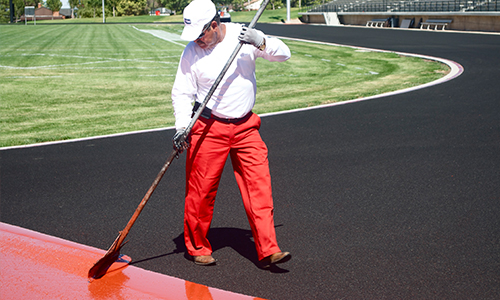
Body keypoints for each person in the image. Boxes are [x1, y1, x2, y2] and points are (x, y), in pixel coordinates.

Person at [171, 0, 291, 269]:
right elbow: (181, 92)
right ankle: (197, 246)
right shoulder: (191, 52)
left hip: (246, 127)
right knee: (200, 191)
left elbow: (284, 54)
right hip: (208, 127)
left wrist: (261, 41)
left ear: (214, 25)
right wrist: (181, 126)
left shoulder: (242, 38)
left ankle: (268, 248)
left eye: (201, 34)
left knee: (259, 186)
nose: (197, 41)